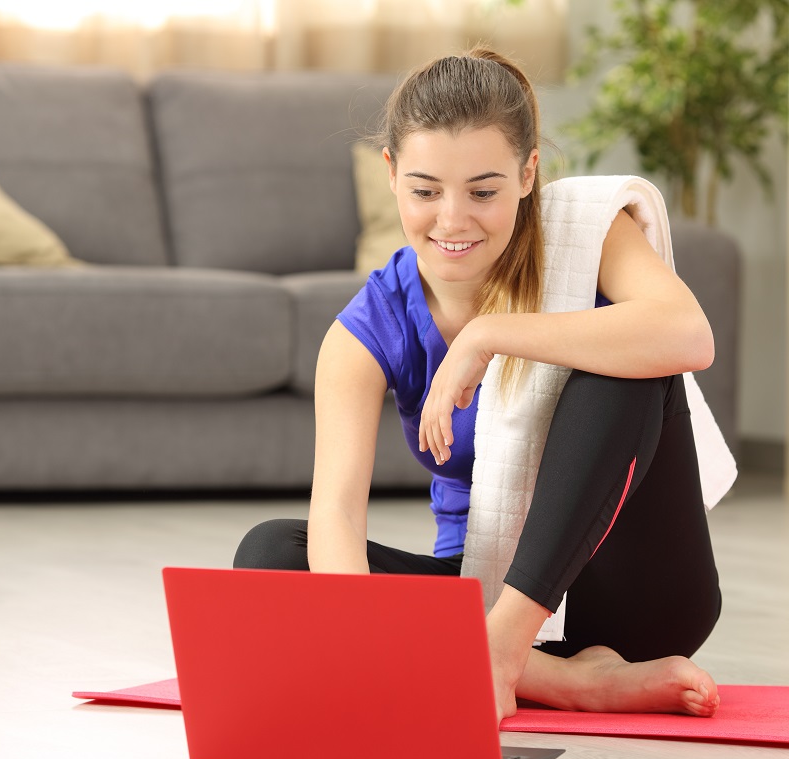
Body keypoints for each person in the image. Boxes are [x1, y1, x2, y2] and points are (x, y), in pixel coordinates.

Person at [234, 47, 723, 724]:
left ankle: (502, 652)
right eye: (426, 190)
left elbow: (688, 336)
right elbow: (338, 519)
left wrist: (489, 337)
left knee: (624, 363)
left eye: (484, 191)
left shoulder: (584, 233)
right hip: (478, 589)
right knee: (271, 554)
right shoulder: (366, 331)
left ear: (527, 174)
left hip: (634, 596)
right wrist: (353, 634)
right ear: (391, 174)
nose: (453, 221)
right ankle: (564, 680)